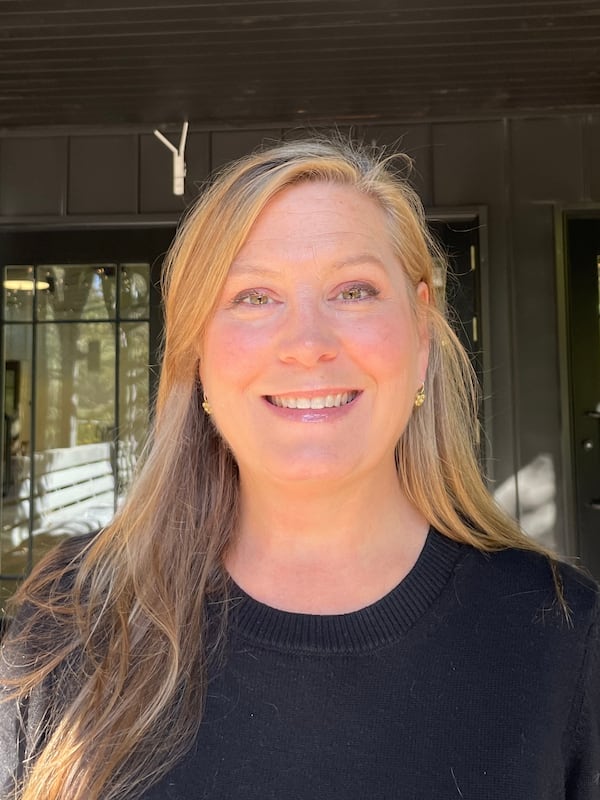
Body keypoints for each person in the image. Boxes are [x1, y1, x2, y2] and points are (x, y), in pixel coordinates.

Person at [0, 136, 598, 800]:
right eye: (255, 297)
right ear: (197, 352)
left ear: (422, 333)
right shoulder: (73, 621)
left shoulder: (564, 638)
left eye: (353, 291)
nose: (308, 345)